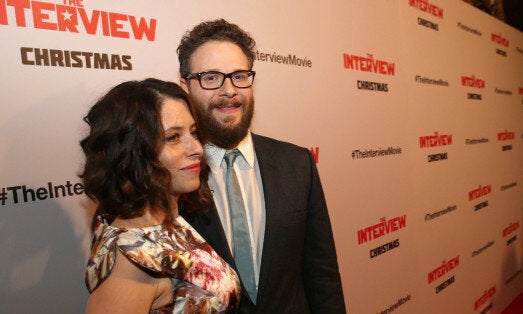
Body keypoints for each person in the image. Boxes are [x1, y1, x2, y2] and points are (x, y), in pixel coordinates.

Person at [176, 19, 346, 313]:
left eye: (239, 76)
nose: (229, 90)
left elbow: (322, 274)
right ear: (185, 86)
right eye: (211, 77)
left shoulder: (297, 164)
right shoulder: (169, 177)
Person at [80, 78, 241, 313]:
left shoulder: (169, 222)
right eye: (173, 137)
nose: (196, 148)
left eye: (194, 132)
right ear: (133, 153)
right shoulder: (131, 259)